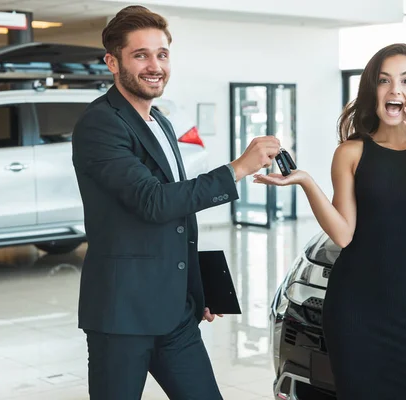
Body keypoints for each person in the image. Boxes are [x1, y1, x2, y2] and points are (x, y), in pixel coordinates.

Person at [72, 6, 280, 400]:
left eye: (162, 54)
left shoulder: (162, 121)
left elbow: (178, 216)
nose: (155, 65)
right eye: (141, 55)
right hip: (123, 316)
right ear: (112, 62)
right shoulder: (100, 123)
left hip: (175, 314)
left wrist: (195, 290)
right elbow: (153, 202)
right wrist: (236, 169)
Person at [254, 43, 406, 399]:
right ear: (373, 90)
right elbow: (343, 234)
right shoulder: (351, 152)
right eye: (384, 81)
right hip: (356, 309)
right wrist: (306, 181)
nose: (395, 89)